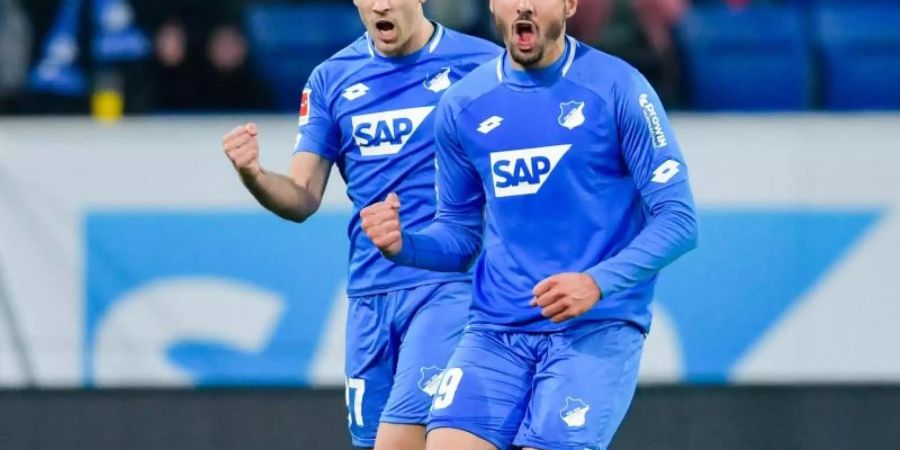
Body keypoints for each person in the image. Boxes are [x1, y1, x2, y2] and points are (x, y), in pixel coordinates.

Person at [359, 0, 698, 448]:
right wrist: (405, 245)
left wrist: (596, 283)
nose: (523, 5)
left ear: (569, 4)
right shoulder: (463, 105)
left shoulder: (619, 87)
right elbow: (461, 237)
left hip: (593, 331)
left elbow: (679, 219)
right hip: (495, 333)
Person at [220, 0, 499, 448]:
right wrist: (254, 175)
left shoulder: (483, 66)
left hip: (448, 286)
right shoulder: (331, 79)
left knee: (401, 442)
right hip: (370, 297)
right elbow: (301, 197)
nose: (381, 4)